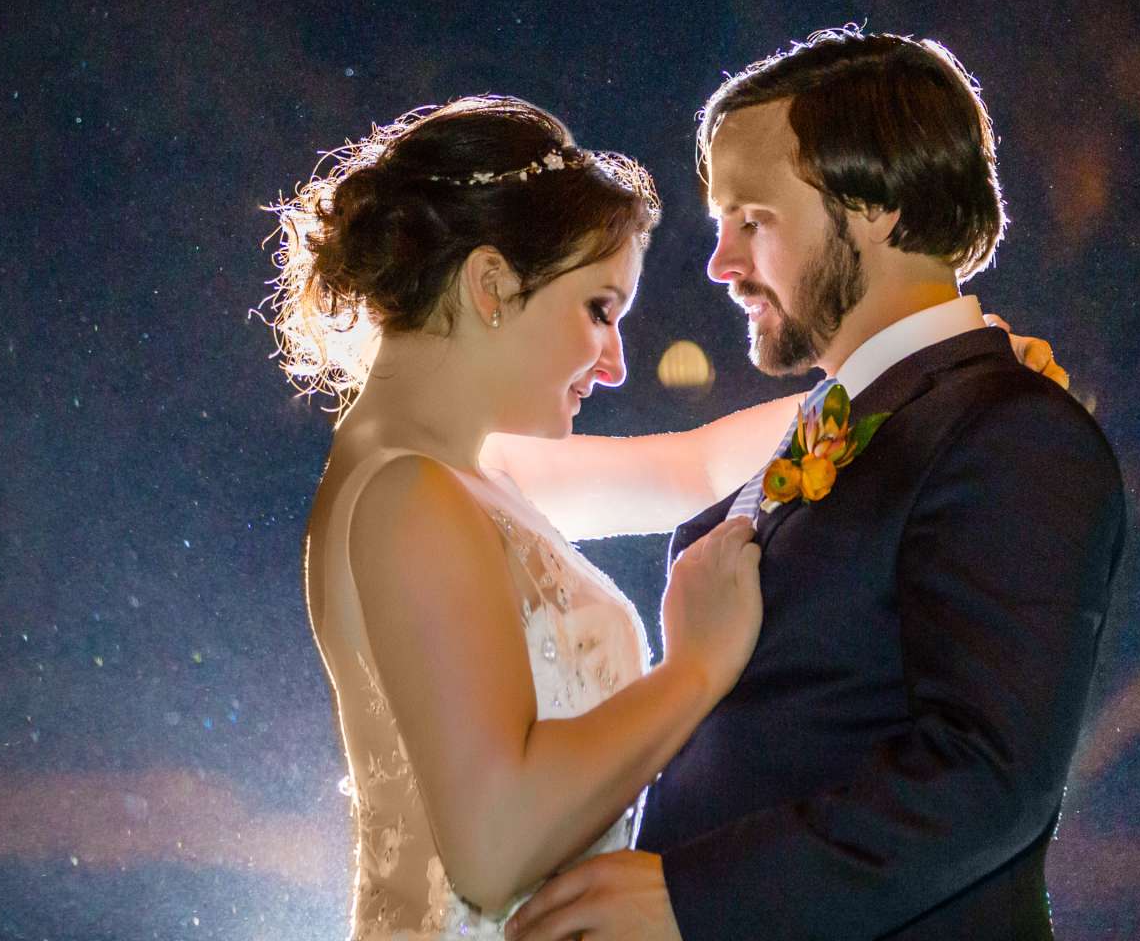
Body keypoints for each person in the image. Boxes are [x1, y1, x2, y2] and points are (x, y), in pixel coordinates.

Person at [502, 31, 1126, 941]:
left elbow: (989, 780)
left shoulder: (1011, 435)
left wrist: (694, 899)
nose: (720, 263)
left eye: (751, 219)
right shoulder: (841, 424)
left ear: (874, 205)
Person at [275, 96, 777, 939]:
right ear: (491, 286)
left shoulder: (456, 470)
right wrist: (696, 670)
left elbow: (693, 468)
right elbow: (494, 850)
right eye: (599, 311)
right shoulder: (409, 494)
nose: (615, 364)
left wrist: (909, 376)